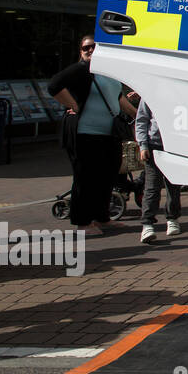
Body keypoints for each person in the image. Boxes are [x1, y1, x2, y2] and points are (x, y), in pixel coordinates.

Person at [48, 36, 137, 234]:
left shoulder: (110, 72)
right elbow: (54, 85)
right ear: (80, 51)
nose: (90, 50)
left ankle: (102, 218)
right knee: (85, 178)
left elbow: (118, 97)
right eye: (86, 47)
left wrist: (137, 116)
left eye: (94, 46)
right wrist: (72, 104)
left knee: (108, 176)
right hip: (84, 133)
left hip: (109, 133)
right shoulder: (82, 70)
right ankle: (83, 222)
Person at [134, 98, 182, 243]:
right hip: (154, 145)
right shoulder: (149, 93)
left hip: (175, 145)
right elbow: (141, 120)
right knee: (152, 187)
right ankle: (147, 224)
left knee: (173, 186)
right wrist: (143, 145)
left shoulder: (180, 92)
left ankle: (172, 218)